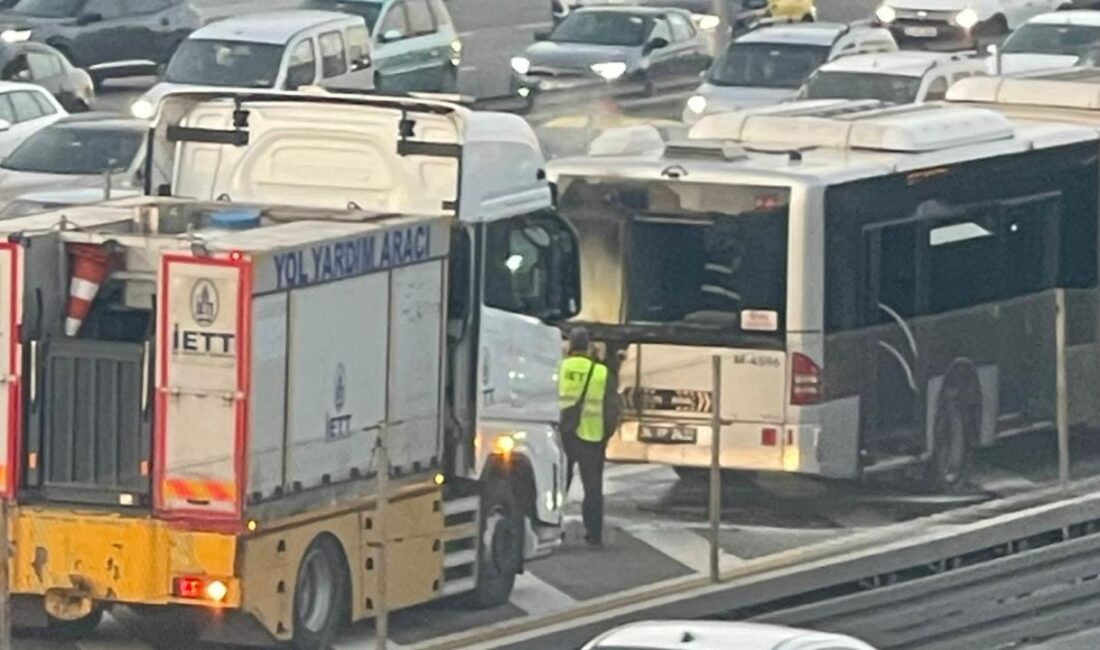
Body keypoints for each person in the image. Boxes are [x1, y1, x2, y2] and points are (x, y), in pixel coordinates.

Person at [558, 327, 617, 547]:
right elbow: (612, 408)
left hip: (562, 435)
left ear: (570, 346)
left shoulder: (559, 368)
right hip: (592, 437)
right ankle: (593, 534)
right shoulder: (601, 372)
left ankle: (554, 527)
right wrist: (606, 433)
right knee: (592, 489)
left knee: (557, 486)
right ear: (589, 346)